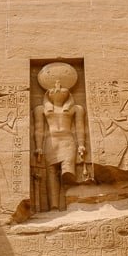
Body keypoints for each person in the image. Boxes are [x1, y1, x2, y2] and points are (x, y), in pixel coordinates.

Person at [32, 62, 87, 212]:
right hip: (51, 141)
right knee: (50, 174)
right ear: (47, 93)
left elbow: (80, 128)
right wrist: (38, 146)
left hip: (68, 141)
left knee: (67, 172)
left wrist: (81, 144)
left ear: (69, 93)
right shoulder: (41, 109)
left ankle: (72, 205)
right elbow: (38, 129)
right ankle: (54, 206)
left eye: (62, 87)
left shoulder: (76, 108)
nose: (57, 87)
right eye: (54, 87)